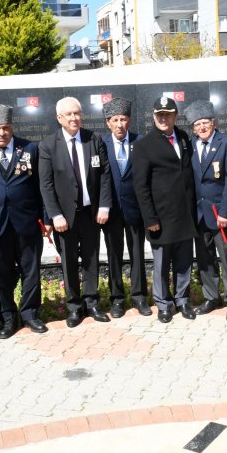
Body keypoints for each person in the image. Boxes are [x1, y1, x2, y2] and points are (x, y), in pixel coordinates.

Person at [39, 97, 113, 327]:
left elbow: (105, 175)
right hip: (65, 218)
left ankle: (91, 303)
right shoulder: (48, 145)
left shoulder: (94, 139)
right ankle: (74, 307)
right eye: (68, 114)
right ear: (59, 118)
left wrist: (103, 205)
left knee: (92, 260)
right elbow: (46, 184)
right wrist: (55, 215)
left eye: (77, 113)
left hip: (91, 213)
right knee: (69, 262)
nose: (74, 118)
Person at [0, 104, 47, 337]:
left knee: (31, 271)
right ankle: (7, 317)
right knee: (1, 274)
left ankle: (30, 314)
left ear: (12, 127)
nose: (1, 133)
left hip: (27, 223)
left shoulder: (30, 148)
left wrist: (45, 219)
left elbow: (42, 187)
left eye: (6, 128)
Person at [132, 96, 198, 323]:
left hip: (184, 215)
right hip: (160, 217)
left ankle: (182, 300)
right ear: (153, 117)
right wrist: (150, 217)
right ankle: (163, 304)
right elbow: (140, 185)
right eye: (159, 114)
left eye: (168, 114)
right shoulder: (143, 145)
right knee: (161, 265)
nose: (163, 118)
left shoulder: (183, 138)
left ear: (175, 116)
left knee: (183, 262)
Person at [184, 99, 227, 321]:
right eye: (197, 125)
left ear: (214, 122)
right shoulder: (190, 145)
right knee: (205, 258)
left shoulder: (226, 142)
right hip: (199, 214)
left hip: (221, 214)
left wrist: (226, 212)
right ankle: (211, 296)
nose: (201, 128)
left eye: (205, 123)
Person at [100, 97, 151, 317]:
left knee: (137, 254)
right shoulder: (100, 144)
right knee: (114, 256)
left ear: (129, 120)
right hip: (111, 211)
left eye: (123, 119)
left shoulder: (141, 142)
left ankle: (140, 297)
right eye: (115, 120)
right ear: (108, 123)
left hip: (136, 210)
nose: (120, 124)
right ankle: (117, 299)